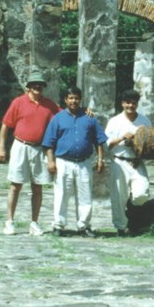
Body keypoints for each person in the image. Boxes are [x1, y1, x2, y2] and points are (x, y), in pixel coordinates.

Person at [0, 70, 59, 236]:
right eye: (34, 85)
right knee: (15, 185)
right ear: (29, 87)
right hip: (20, 146)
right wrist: (1, 147)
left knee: (37, 187)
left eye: (40, 85)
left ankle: (34, 222)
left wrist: (84, 111)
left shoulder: (49, 105)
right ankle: (9, 221)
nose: (37, 87)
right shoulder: (18, 102)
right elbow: (5, 125)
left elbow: (65, 116)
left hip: (39, 149)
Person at [42, 86, 107, 237]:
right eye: (70, 98)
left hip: (84, 162)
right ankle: (58, 225)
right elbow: (48, 143)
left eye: (76, 98)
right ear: (65, 100)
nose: (74, 101)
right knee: (61, 194)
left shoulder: (89, 117)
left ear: (80, 100)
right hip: (64, 162)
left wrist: (100, 159)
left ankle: (84, 226)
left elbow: (99, 140)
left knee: (85, 195)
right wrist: (50, 162)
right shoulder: (57, 119)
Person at [105, 89, 152, 236]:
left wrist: (140, 158)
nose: (130, 105)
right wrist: (122, 138)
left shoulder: (144, 121)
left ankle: (131, 210)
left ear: (137, 104)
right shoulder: (114, 121)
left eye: (133, 103)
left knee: (141, 195)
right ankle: (121, 227)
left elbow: (150, 144)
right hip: (119, 162)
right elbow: (107, 145)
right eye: (128, 102)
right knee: (119, 196)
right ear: (122, 104)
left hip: (137, 162)